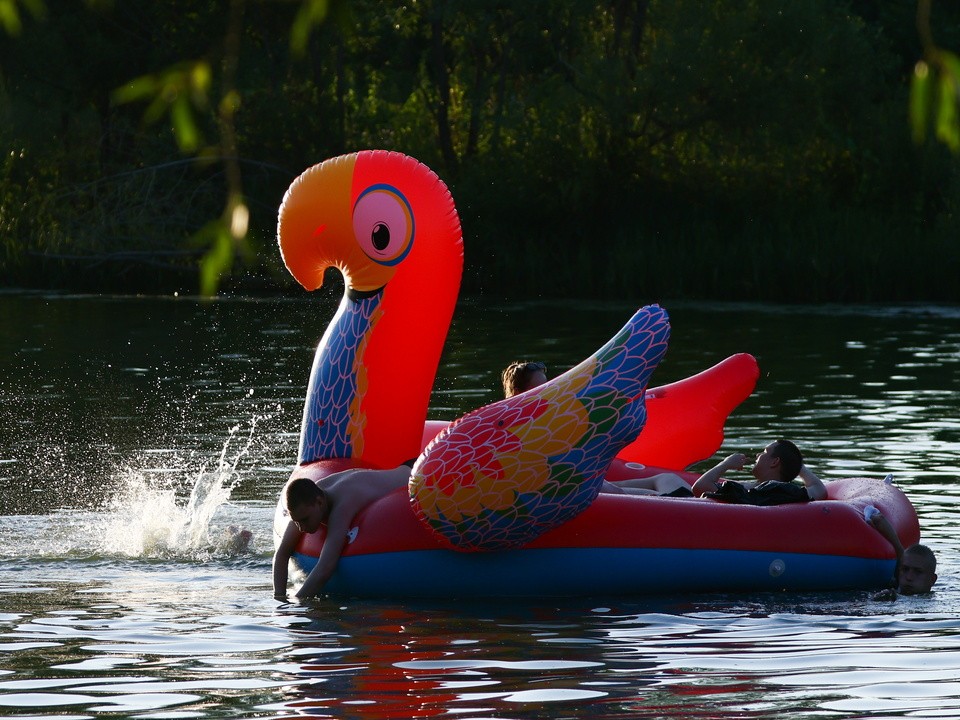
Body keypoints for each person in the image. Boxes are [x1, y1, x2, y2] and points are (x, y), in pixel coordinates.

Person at [272, 465, 410, 600]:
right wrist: (279, 597)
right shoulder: (308, 501)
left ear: (320, 503)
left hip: (414, 474)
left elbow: (325, 568)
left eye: (305, 520)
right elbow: (281, 554)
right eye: (297, 522)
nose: (301, 528)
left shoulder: (343, 504)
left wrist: (297, 605)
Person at [867, 508, 938, 599]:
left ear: (932, 580)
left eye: (918, 572)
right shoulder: (889, 591)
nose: (909, 577)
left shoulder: (929, 605)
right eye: (905, 569)